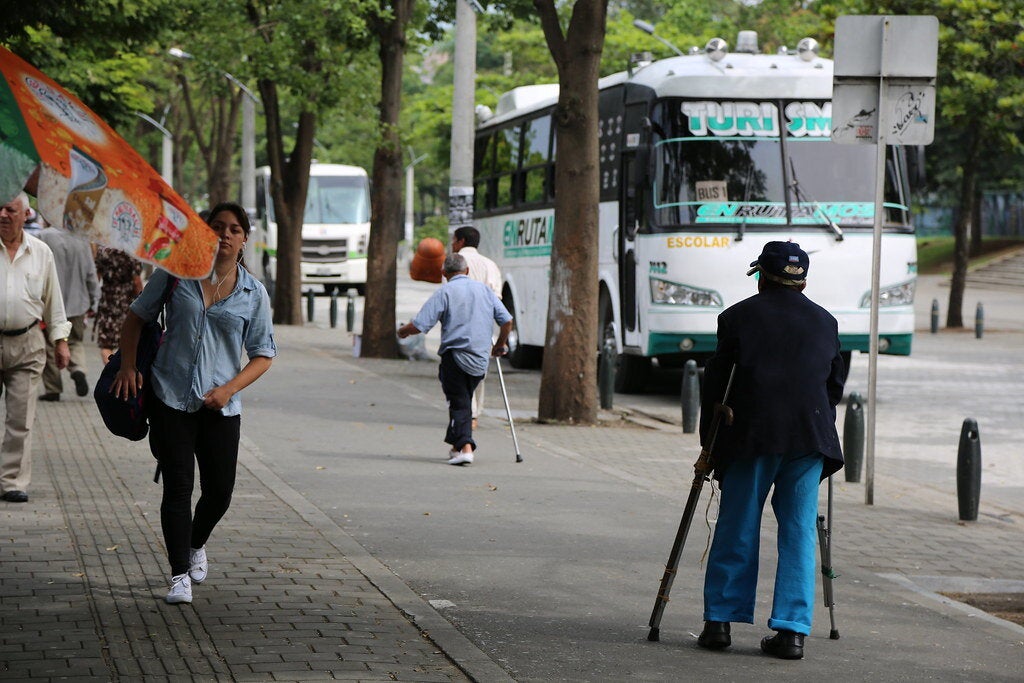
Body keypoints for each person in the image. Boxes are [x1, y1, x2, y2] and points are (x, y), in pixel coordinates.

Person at [111, 202, 276, 605]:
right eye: (216, 227)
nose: (224, 234)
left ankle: (196, 543)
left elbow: (264, 354)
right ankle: (178, 573)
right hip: (170, 398)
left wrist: (229, 389)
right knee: (178, 488)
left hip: (220, 407)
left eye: (234, 229)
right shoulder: (175, 274)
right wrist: (128, 366)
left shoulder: (254, 294)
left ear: (244, 240)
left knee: (219, 492)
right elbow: (136, 317)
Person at [696, 241, 845, 660]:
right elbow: (833, 386)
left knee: (739, 524)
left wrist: (709, 445)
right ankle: (792, 632)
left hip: (752, 435)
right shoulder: (826, 322)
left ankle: (720, 622)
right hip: (809, 437)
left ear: (761, 274)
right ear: (803, 279)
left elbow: (717, 384)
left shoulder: (737, 317)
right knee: (798, 531)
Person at [397, 252, 512, 466]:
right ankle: (455, 445)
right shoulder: (485, 291)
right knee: (463, 400)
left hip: (455, 357)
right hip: (480, 359)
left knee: (460, 403)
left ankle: (466, 448)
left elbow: (420, 325)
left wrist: (402, 331)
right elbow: (506, 321)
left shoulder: (445, 292)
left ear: (444, 273)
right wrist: (499, 345)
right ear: (466, 271)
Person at [0, 192, 72, 503]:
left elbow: (53, 300)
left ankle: (12, 481)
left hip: (27, 343)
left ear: (25, 214)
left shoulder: (41, 252)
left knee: (20, 419)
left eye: (10, 209)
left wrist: (61, 341)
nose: (3, 214)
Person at [36, 225, 100, 401]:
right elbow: (90, 273)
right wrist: (95, 299)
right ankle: (78, 369)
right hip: (77, 302)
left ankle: (53, 388)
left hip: (48, 303)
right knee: (75, 342)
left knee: (49, 346)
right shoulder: (82, 238)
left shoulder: (43, 236)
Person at [450, 226, 502, 430]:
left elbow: (448, 293)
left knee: (458, 370)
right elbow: (497, 299)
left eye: (454, 240)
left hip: (458, 326)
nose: (452, 244)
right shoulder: (490, 265)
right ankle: (473, 414)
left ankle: (467, 413)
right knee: (478, 371)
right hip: (483, 326)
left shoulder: (453, 262)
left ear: (461, 241)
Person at [94, 246, 143, 364]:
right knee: (127, 342)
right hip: (127, 304)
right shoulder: (133, 252)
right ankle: (120, 372)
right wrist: (142, 302)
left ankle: (110, 372)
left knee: (106, 345)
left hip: (107, 302)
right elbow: (137, 282)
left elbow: (97, 277)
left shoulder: (103, 252)